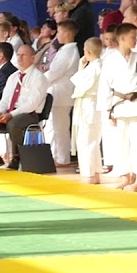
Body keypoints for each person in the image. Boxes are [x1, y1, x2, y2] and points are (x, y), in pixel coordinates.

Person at [98, 23, 137, 192]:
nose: (136, 40)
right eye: (133, 37)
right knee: (121, 143)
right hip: (119, 105)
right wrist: (107, 111)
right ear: (122, 38)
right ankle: (125, 176)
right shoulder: (110, 60)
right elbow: (104, 86)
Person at [0, 44, 49, 171]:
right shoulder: (13, 77)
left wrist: (11, 115)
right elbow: (5, 99)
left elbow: (32, 103)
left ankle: (16, 157)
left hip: (30, 114)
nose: (19, 58)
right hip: (10, 112)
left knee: (13, 124)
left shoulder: (39, 78)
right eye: (18, 55)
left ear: (33, 58)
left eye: (23, 55)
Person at [43, 20, 81, 167]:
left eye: (59, 32)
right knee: (54, 127)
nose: (57, 35)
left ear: (67, 34)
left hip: (62, 94)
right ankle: (54, 155)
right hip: (57, 93)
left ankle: (62, 158)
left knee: (60, 128)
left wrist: (39, 81)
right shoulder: (65, 50)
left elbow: (54, 72)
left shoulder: (69, 51)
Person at [71, 37, 105, 184]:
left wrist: (80, 67)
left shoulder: (95, 67)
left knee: (86, 140)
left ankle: (89, 174)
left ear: (87, 52)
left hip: (89, 105)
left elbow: (79, 85)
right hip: (93, 105)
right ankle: (95, 173)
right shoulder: (97, 66)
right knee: (93, 140)